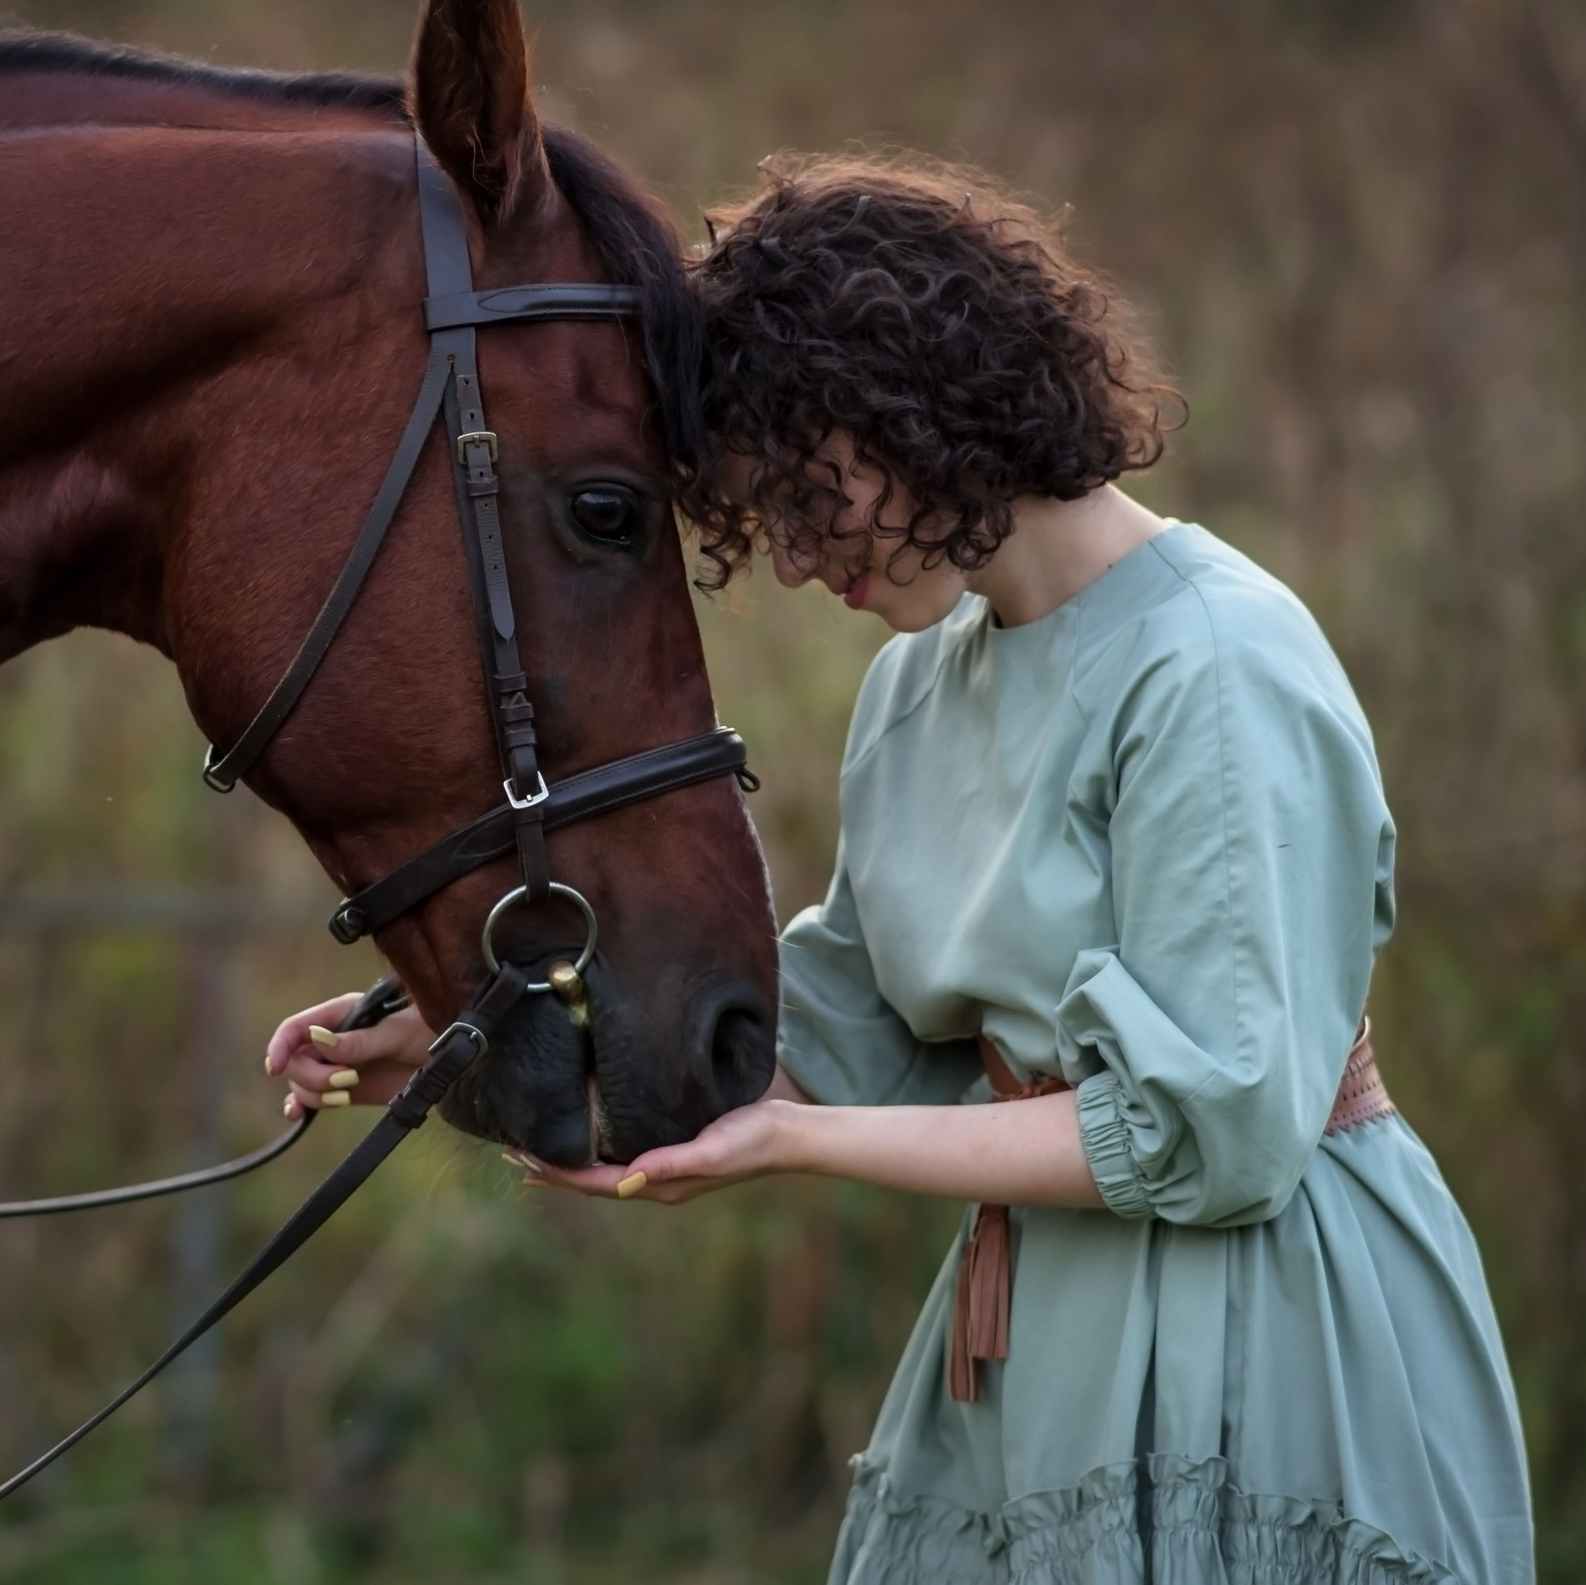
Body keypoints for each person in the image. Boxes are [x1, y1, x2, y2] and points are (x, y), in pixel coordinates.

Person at [263, 157, 1533, 1582]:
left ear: (913, 398)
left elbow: (1220, 1133)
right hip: (1037, 1338)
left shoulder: (1214, 664)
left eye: (809, 495)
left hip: (1265, 1328)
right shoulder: (920, 685)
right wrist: (459, 1037)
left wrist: (798, 1147)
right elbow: (838, 1043)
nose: (800, 563)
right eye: (763, 519)